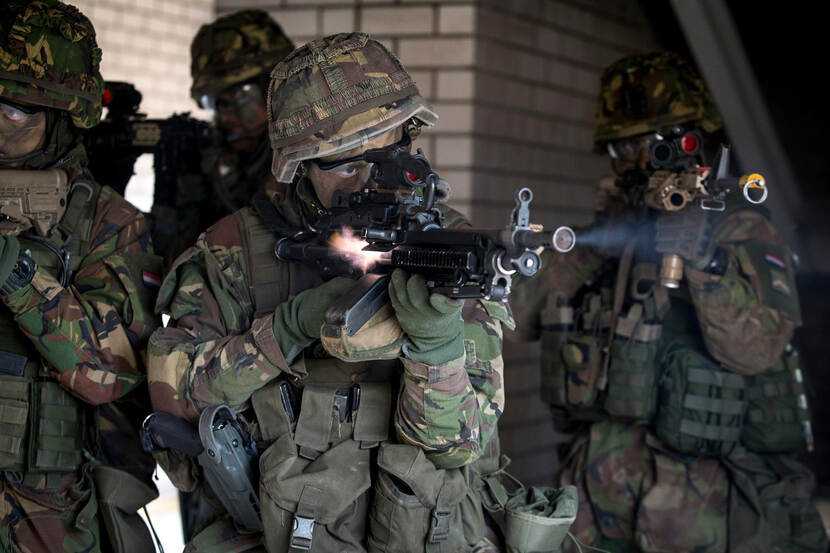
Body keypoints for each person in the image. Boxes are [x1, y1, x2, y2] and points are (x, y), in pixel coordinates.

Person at [147, 32, 511, 553]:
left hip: (424, 532)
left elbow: (459, 447)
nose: (370, 182)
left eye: (389, 156)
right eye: (344, 164)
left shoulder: (450, 250)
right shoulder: (236, 250)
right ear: (298, 168)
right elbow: (172, 404)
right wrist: (285, 330)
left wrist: (436, 348)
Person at [508, 51, 828, 553]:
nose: (638, 161)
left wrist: (703, 259)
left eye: (653, 145)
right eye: (623, 149)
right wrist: (590, 251)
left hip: (701, 498)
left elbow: (756, 350)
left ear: (695, 139)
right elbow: (515, 320)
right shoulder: (604, 236)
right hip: (595, 483)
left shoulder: (740, 228)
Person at [0, 1, 162, 551]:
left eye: (13, 110)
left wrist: (18, 276)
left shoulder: (106, 223)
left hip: (44, 509)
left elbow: (109, 373)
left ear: (63, 114)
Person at [150, 9, 295, 262]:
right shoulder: (218, 158)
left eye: (237, 97)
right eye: (214, 102)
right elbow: (177, 262)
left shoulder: (303, 159)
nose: (224, 116)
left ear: (274, 91)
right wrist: (176, 195)